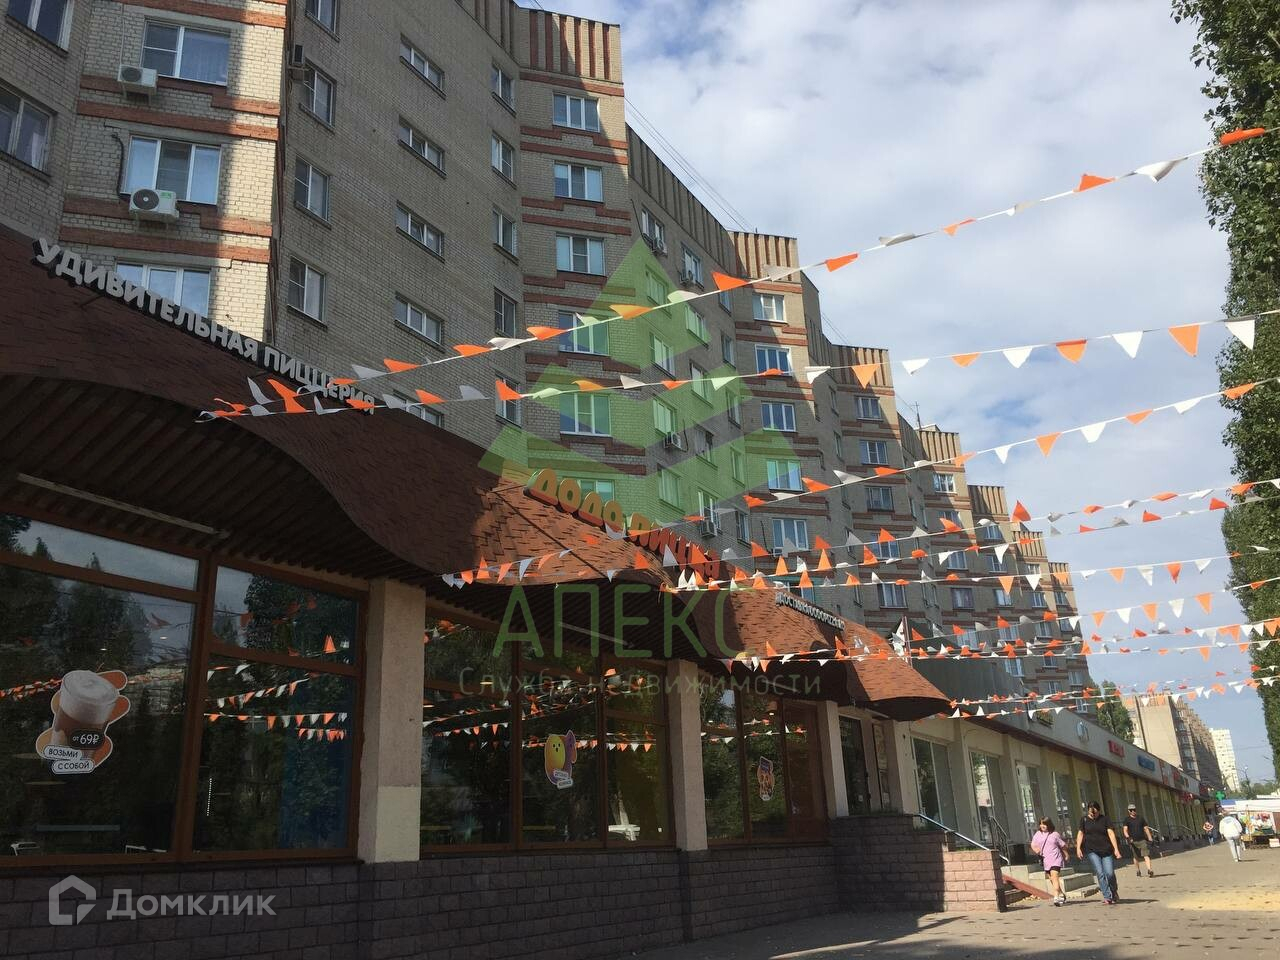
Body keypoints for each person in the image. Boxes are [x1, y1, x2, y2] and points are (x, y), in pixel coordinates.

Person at [1076, 802, 1124, 904]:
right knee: (1100, 873)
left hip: (1106, 850)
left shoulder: (1105, 819)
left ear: (1099, 811)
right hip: (1092, 850)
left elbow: (1111, 833)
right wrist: (1078, 848)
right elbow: (1080, 833)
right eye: (1091, 813)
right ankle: (1107, 896)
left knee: (1110, 873)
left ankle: (1113, 891)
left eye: (1095, 813)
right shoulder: (1084, 820)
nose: (1093, 815)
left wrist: (1116, 849)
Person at [1031, 816, 1070, 906]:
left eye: (1044, 824)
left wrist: (1066, 855)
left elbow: (1063, 846)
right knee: (1051, 878)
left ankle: (1056, 896)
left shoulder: (1055, 834)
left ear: (1049, 825)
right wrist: (1036, 850)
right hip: (1046, 860)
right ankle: (1061, 894)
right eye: (1041, 824)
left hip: (1056, 858)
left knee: (1054, 876)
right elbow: (1033, 844)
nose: (1042, 826)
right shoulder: (1038, 834)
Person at [1122, 803, 1156, 877]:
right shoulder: (1127, 820)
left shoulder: (1140, 818)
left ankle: (1150, 870)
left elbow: (1146, 828)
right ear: (1128, 811)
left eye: (1134, 810)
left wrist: (1150, 838)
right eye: (1131, 810)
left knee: (1146, 854)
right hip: (1133, 841)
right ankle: (1138, 870)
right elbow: (1125, 830)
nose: (1133, 811)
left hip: (1142, 840)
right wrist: (1128, 837)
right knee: (1136, 857)